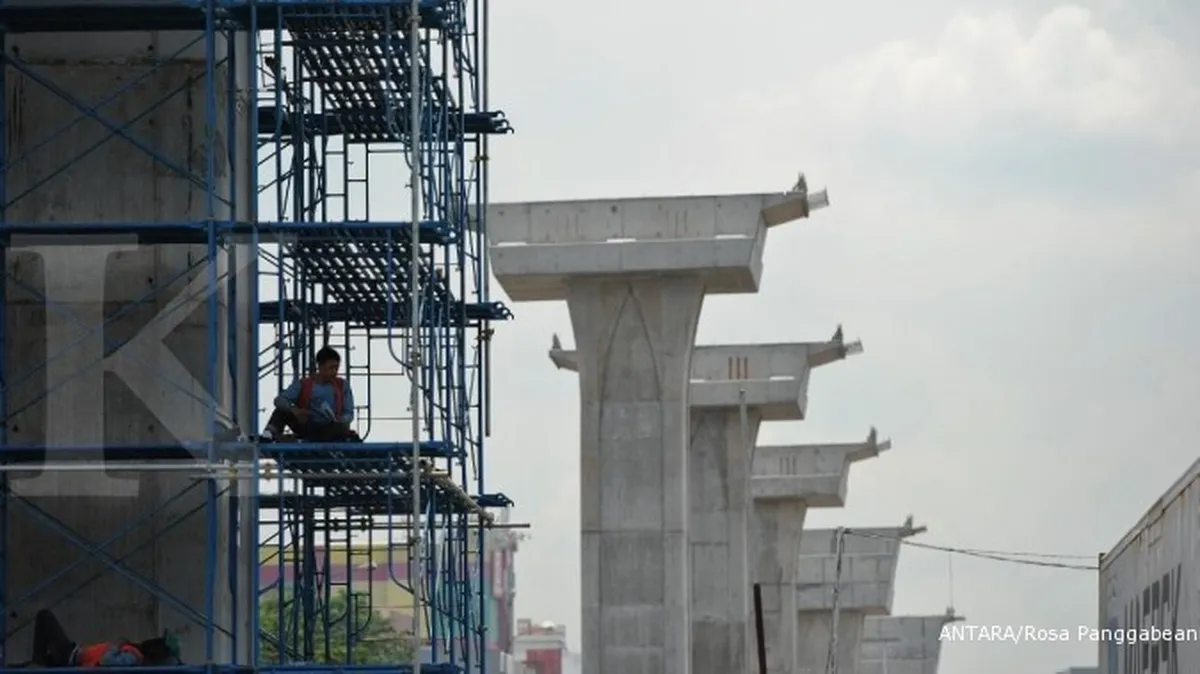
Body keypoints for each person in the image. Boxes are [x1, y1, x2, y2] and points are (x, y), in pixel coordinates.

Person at [261, 346, 360, 442]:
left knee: (340, 428)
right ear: (320, 366)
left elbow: (349, 413)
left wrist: (341, 419)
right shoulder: (303, 384)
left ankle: (300, 440)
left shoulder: (342, 385)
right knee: (281, 411)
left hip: (330, 428)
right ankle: (269, 434)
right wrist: (295, 410)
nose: (334, 372)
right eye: (331, 368)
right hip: (307, 424)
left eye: (336, 368)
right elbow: (279, 400)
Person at [27, 609, 181, 667]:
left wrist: (117, 647)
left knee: (45, 616)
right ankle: (37, 662)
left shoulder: (133, 657)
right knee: (22, 667)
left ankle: (37, 661)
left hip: (70, 657)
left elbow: (106, 661)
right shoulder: (134, 654)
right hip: (73, 656)